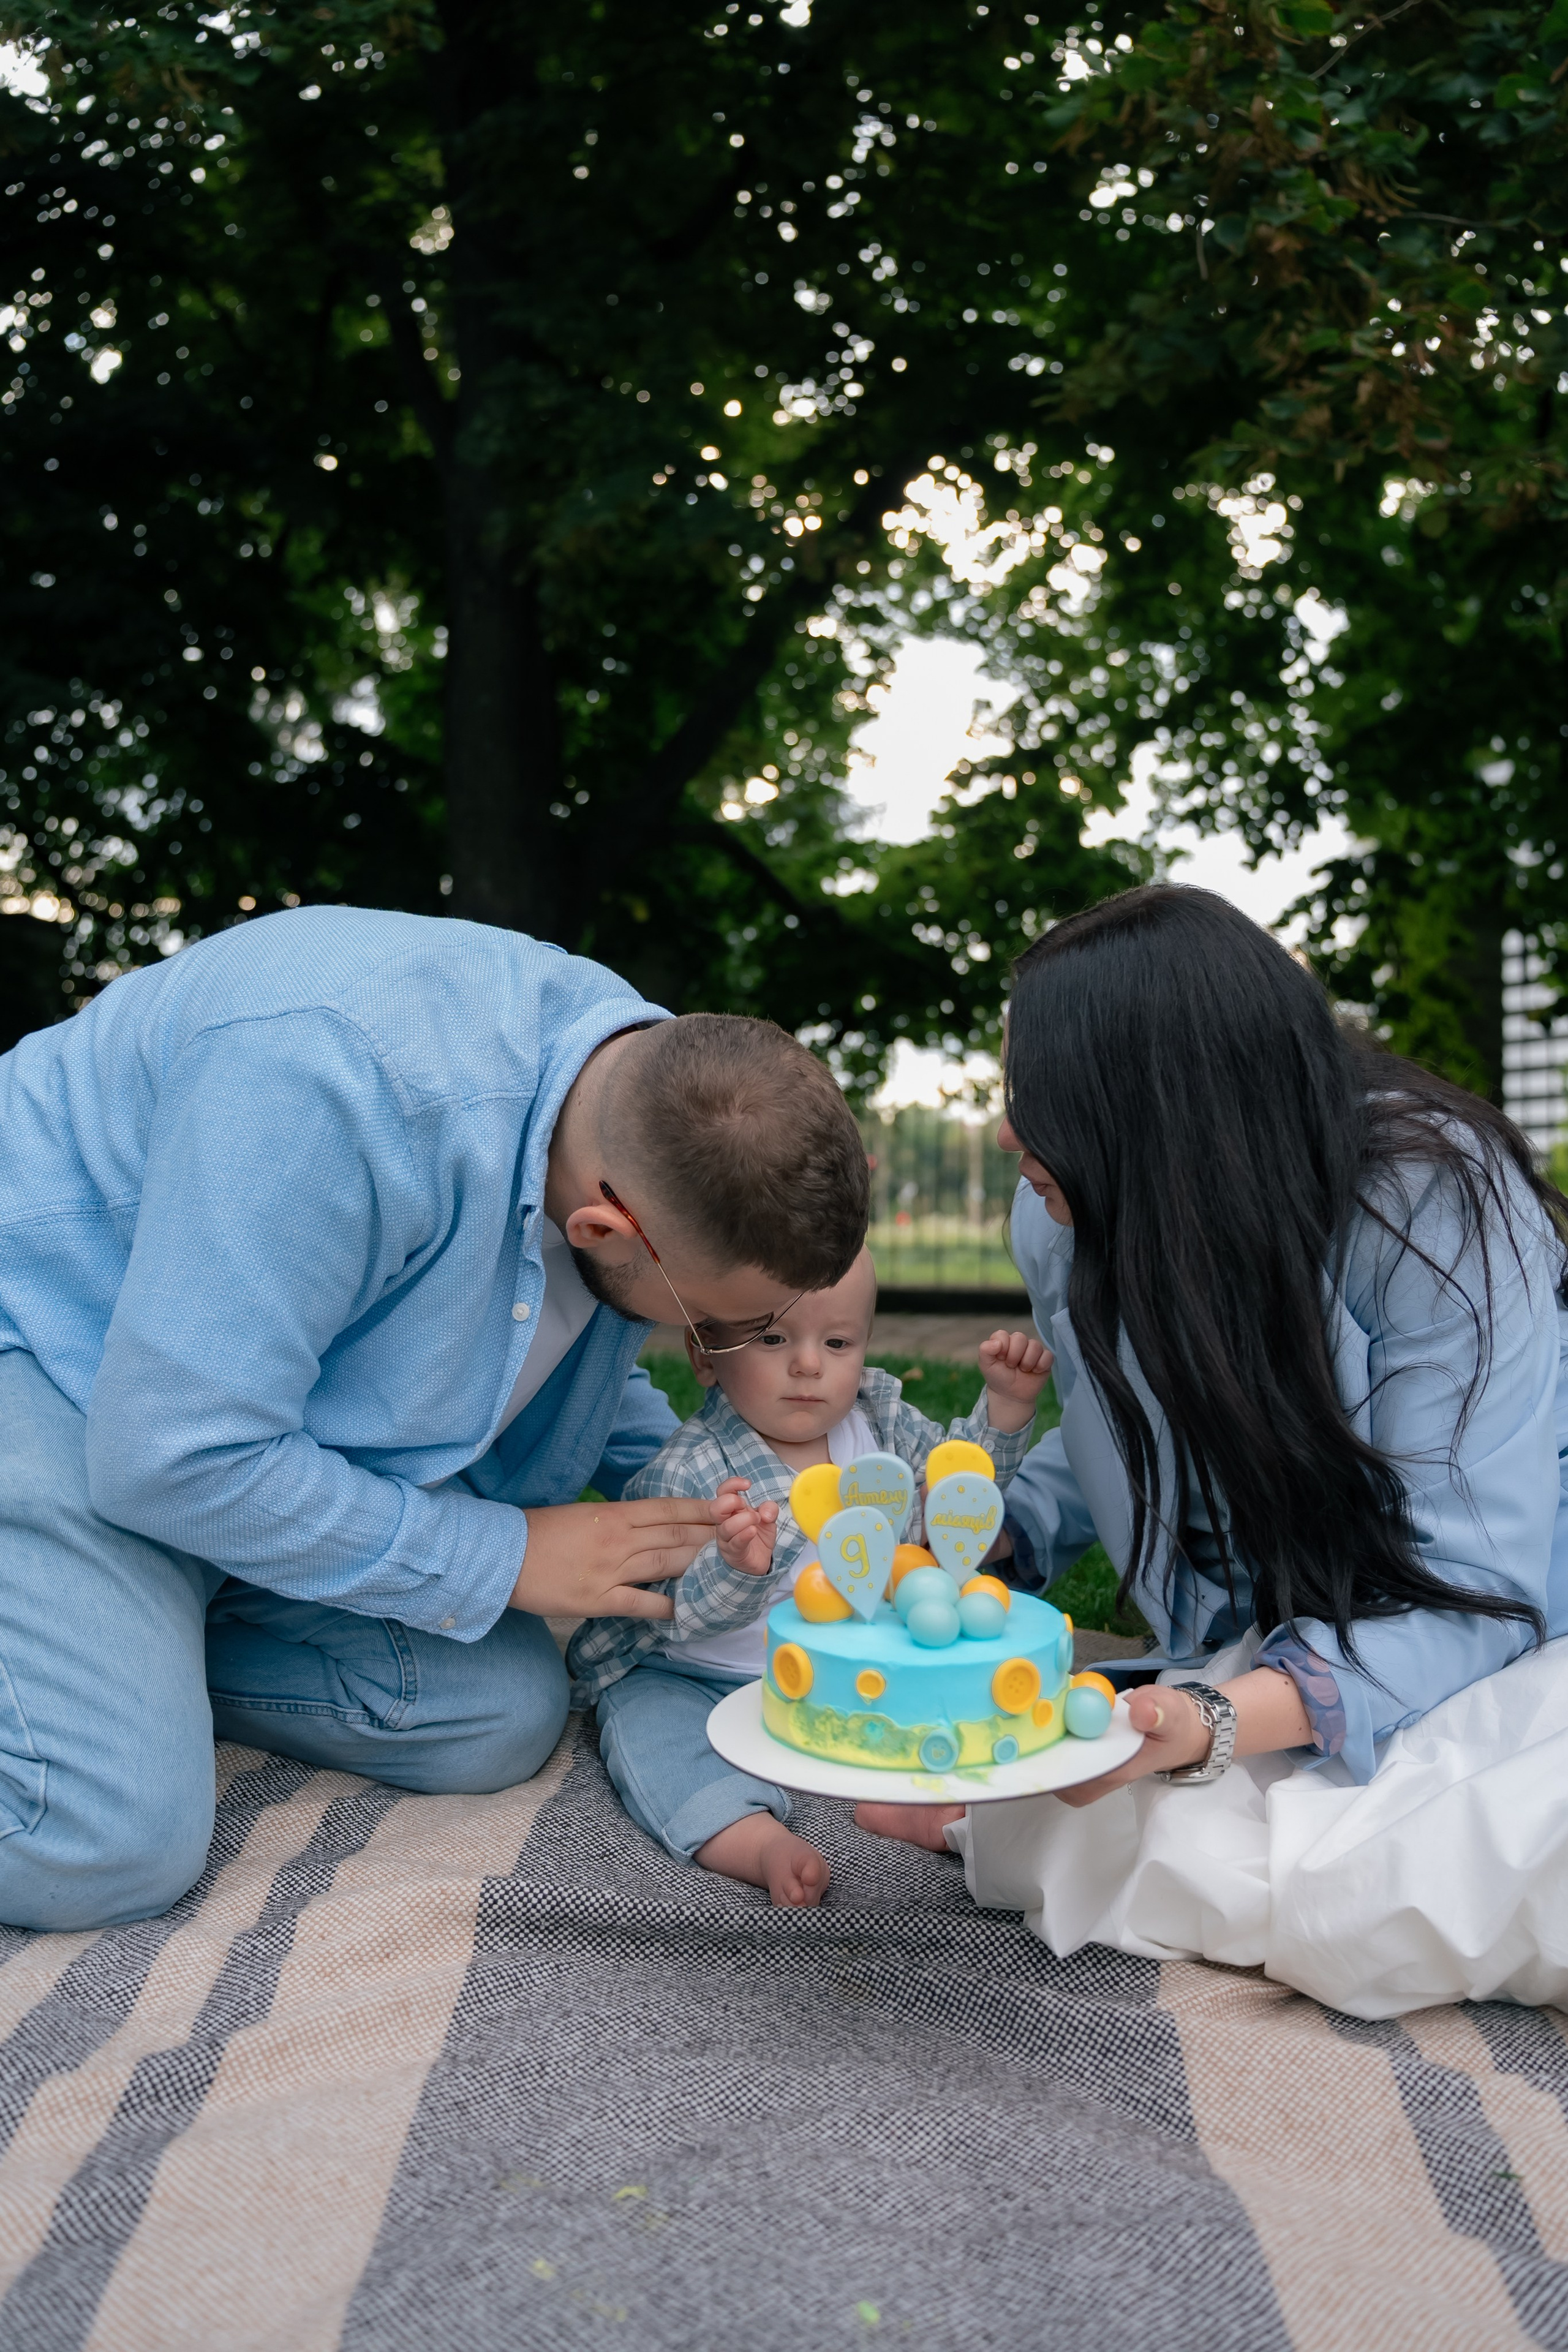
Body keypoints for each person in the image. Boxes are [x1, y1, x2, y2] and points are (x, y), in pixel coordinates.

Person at [0, 905, 870, 1932]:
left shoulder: (642, 1090)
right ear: (602, 1227)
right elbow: (171, 1456)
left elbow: (568, 1348)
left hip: (224, 1429)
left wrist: (739, 1496)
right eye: (710, 1323)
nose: (715, 1349)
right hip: (55, 1345)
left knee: (498, 1712)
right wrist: (505, 1558)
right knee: (101, 1843)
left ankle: (126, 1662)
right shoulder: (323, 1087)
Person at [860, 885, 1568, 2018]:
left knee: (1415, 1873)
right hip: (1269, 1638)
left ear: (1162, 1108)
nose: (1007, 1135)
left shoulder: (1439, 1216)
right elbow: (1116, 1424)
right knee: (1111, 1806)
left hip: (1489, 1625)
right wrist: (1001, 1537)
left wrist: (1214, 1723)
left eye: (1042, 1096)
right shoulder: (1062, 1216)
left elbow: (1480, 1580)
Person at [570, 1248, 1052, 1904]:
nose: (808, 1364)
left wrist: (1005, 1407)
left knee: (937, 1688)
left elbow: (957, 1498)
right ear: (705, 1354)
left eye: (837, 1342)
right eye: (772, 1338)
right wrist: (738, 1567)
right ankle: (748, 1836)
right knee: (650, 1730)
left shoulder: (882, 1427)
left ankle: (910, 1803)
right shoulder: (688, 1471)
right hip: (703, 1675)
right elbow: (672, 1612)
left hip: (849, 1669)